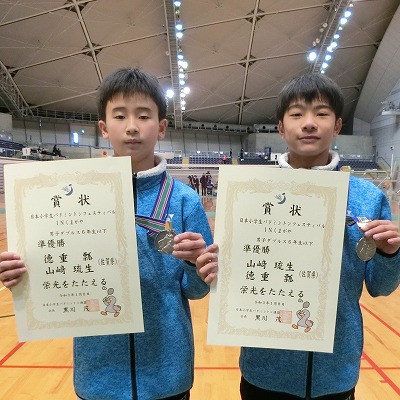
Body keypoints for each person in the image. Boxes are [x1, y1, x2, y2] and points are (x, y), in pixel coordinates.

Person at [0, 67, 213, 400]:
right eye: (120, 116)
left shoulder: (185, 200)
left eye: (144, 116)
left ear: (161, 127)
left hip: (167, 373)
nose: (132, 126)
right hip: (98, 376)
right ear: (103, 127)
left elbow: (198, 290)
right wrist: (22, 275)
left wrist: (195, 265)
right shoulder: (69, 198)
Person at [196, 73, 400, 400]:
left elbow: (381, 287)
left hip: (334, 373)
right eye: (296, 114)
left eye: (321, 113)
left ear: (337, 125)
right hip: (265, 372)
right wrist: (213, 268)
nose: (309, 123)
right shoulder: (249, 194)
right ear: (281, 127)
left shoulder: (367, 198)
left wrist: (390, 255)